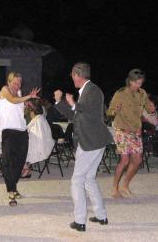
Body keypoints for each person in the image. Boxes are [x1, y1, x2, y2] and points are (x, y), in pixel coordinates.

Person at [54, 62, 113, 232]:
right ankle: (101, 216)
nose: (72, 78)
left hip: (91, 142)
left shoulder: (92, 90)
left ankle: (80, 221)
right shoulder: (87, 91)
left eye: (72, 75)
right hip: (93, 140)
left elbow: (88, 110)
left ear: (77, 75)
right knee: (88, 179)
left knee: (77, 180)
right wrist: (60, 102)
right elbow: (76, 115)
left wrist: (73, 103)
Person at [0, 72, 40, 206]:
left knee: (20, 160)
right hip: (8, 130)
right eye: (15, 82)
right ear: (9, 81)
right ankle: (11, 190)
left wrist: (27, 105)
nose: (17, 84)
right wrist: (28, 96)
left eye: (19, 82)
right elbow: (12, 100)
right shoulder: (4, 90)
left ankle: (13, 186)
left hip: (21, 130)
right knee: (8, 161)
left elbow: (17, 109)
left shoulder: (18, 93)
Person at [107, 68, 149, 198]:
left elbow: (147, 108)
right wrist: (115, 110)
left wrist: (151, 110)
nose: (138, 85)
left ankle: (125, 185)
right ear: (130, 81)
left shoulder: (142, 93)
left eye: (141, 82)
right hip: (122, 131)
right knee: (124, 160)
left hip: (136, 132)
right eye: (136, 82)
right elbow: (109, 112)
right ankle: (115, 188)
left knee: (137, 161)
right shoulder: (120, 93)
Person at [21, 99, 55, 177]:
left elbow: (38, 139)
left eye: (25, 107)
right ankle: (25, 168)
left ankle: (26, 169)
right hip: (40, 143)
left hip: (42, 146)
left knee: (17, 147)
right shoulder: (38, 118)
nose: (24, 109)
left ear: (31, 110)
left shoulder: (38, 120)